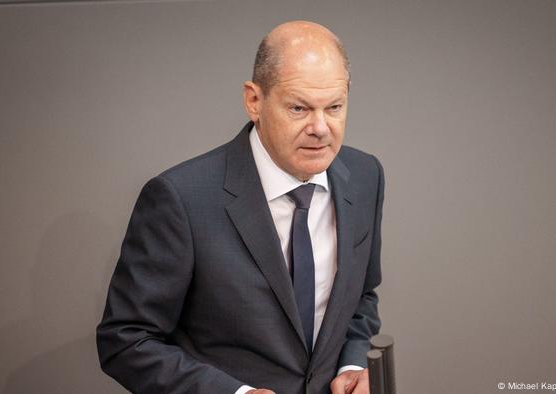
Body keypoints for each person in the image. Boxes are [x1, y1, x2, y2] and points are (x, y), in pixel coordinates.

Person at [96, 20, 384, 394]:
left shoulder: (364, 176)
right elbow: (126, 340)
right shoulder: (179, 199)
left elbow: (362, 296)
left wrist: (352, 360)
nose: (320, 127)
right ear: (254, 101)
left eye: (334, 107)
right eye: (299, 108)